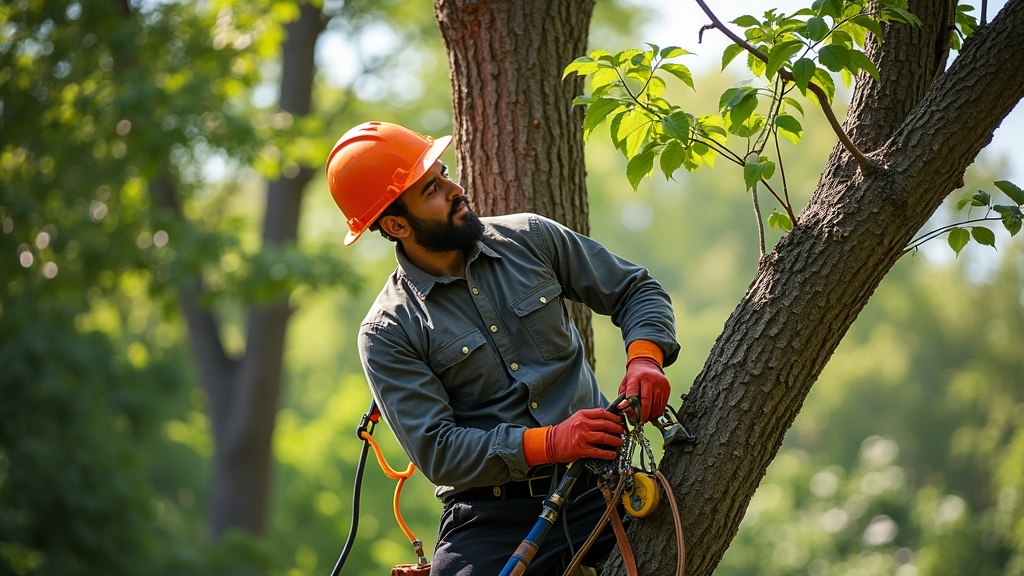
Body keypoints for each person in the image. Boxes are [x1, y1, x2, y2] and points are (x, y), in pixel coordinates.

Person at [325, 120, 679, 575]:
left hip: (599, 484)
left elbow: (634, 290)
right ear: (396, 224)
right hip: (491, 516)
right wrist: (551, 442)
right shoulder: (388, 331)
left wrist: (645, 360)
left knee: (678, 541)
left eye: (444, 174)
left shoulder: (530, 237)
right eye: (432, 189)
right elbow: (439, 452)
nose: (455, 189)